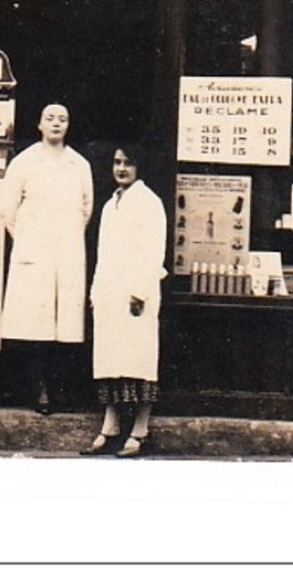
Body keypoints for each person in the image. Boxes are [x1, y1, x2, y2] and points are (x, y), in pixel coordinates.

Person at [0, 103, 94, 414]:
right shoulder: (24, 163)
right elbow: (8, 211)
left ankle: (60, 389)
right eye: (50, 119)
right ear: (39, 124)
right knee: (34, 325)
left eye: (63, 119)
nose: (56, 124)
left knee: (64, 325)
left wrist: (63, 238)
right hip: (34, 253)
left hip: (66, 251)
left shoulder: (79, 165)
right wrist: (30, 241)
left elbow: (85, 209)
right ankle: (38, 390)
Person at [81, 143, 167, 458]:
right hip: (109, 293)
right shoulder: (109, 205)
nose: (121, 168)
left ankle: (141, 429)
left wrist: (139, 291)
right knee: (110, 360)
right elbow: (103, 253)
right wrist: (95, 291)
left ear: (138, 167)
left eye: (128, 163)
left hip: (135, 295)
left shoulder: (149, 203)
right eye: (117, 162)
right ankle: (111, 426)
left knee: (138, 360)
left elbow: (153, 251)